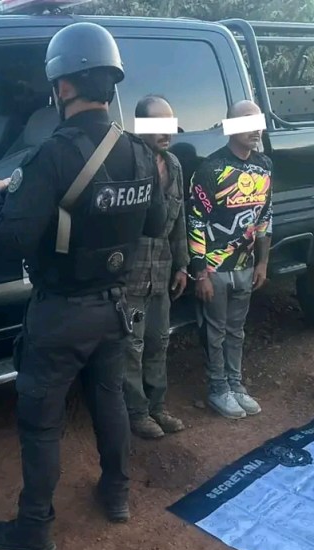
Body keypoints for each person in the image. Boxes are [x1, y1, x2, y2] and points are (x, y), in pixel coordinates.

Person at [0, 22, 167, 550]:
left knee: (41, 424)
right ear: (110, 84)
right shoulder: (139, 154)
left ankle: (34, 528)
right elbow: (153, 224)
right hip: (113, 308)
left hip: (59, 315)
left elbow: (13, 236)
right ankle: (117, 494)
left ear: (62, 87)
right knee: (109, 403)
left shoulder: (50, 156)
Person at [187, 101, 273, 420]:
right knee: (215, 331)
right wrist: (200, 274)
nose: (256, 129)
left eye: (258, 123)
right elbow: (194, 222)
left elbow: (265, 217)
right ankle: (217, 388)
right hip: (215, 269)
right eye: (248, 122)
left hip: (246, 266)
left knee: (237, 330)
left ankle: (235, 384)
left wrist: (263, 262)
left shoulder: (264, 165)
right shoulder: (210, 170)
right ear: (230, 127)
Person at [123, 95, 190, 440]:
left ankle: (157, 406)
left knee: (158, 341)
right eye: (158, 125)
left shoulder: (174, 166)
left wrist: (183, 266)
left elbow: (180, 224)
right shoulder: (126, 164)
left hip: (162, 271)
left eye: (170, 124)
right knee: (130, 348)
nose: (167, 133)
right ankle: (136, 413)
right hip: (130, 276)